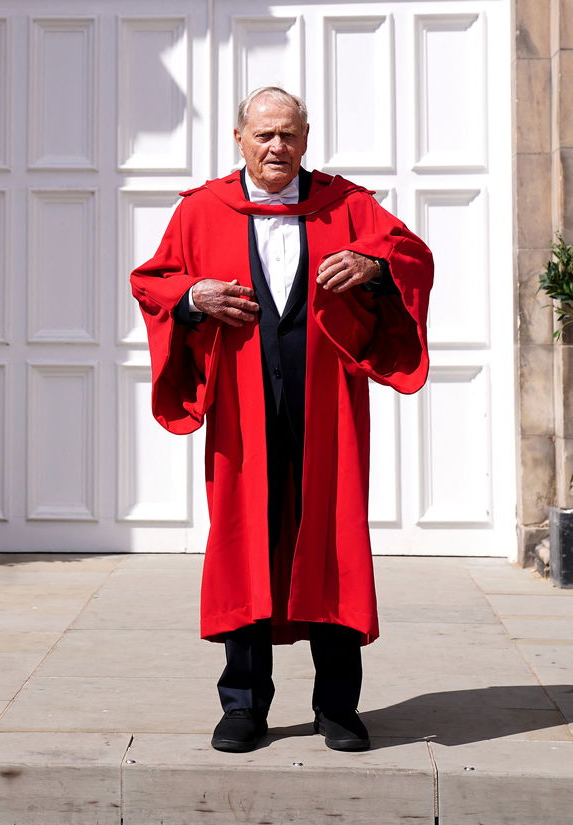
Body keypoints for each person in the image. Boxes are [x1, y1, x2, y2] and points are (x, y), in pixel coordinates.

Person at [130, 87, 433, 753]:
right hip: (241, 415)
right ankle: (244, 705)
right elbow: (152, 280)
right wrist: (192, 295)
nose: (278, 148)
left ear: (306, 138)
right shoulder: (202, 211)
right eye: (265, 134)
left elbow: (412, 258)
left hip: (328, 411)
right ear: (239, 137)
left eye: (290, 135)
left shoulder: (345, 205)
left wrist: (376, 267)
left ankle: (338, 707)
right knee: (245, 545)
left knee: (333, 546)